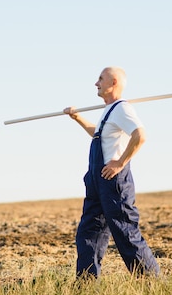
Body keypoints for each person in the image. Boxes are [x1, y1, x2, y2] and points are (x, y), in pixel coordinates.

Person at [63, 66, 160, 278]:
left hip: (113, 181)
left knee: (125, 233)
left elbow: (140, 135)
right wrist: (77, 117)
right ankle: (86, 288)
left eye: (100, 79)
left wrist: (120, 163)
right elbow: (98, 135)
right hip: (97, 182)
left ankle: (153, 284)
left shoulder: (122, 108)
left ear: (113, 82)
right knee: (88, 234)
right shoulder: (109, 111)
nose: (96, 83)